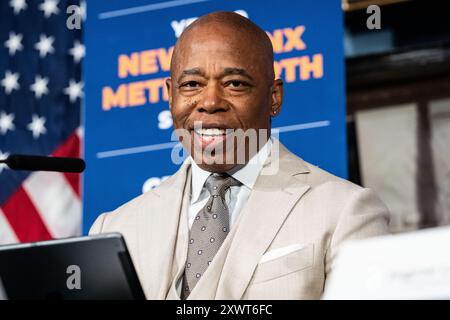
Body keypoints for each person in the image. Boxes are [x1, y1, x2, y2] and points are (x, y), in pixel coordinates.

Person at [89, 11, 390, 299]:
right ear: (171, 96)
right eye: (192, 84)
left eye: (234, 84)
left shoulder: (346, 211)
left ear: (274, 97)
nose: (209, 102)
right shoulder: (115, 227)